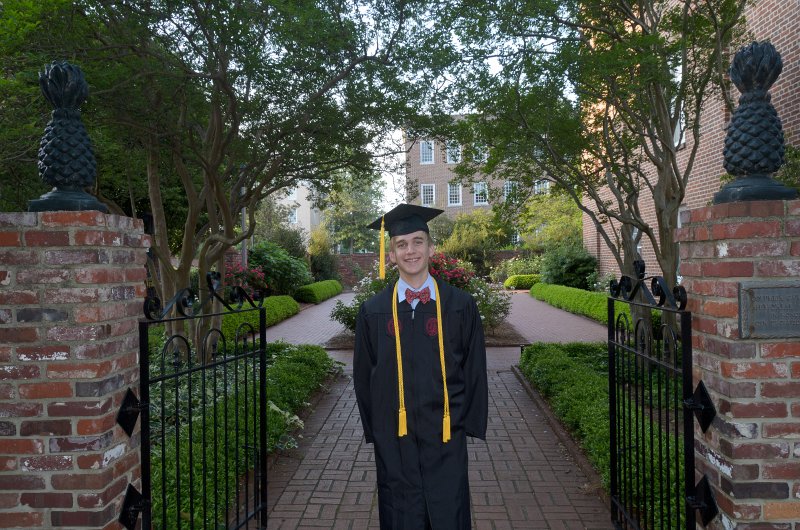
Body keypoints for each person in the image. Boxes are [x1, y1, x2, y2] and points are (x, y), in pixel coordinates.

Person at [353, 203, 488, 530]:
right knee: (401, 513)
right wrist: (378, 431)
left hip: (445, 433)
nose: (410, 251)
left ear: (431, 248)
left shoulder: (459, 305)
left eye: (417, 242)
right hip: (394, 437)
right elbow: (362, 376)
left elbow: (474, 370)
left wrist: (466, 423)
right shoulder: (373, 311)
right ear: (391, 255)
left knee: (449, 510)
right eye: (401, 245)